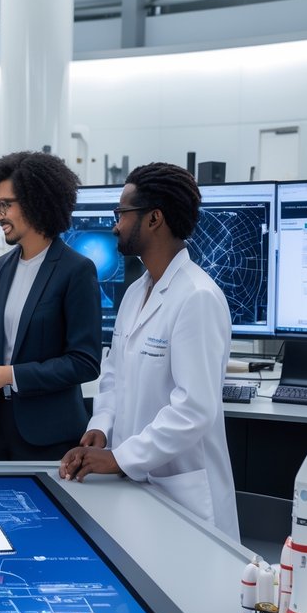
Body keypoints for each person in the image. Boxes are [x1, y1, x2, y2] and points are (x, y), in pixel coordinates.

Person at [59, 162, 239, 541]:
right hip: (138, 481)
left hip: (182, 492)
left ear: (154, 218)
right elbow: (114, 378)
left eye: (121, 214)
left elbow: (194, 409)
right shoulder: (137, 292)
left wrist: (120, 458)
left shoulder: (197, 297)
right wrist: (100, 430)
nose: (115, 225)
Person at [0, 151, 102, 460]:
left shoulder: (76, 271)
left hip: (48, 436)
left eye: (5, 205)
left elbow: (84, 362)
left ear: (37, 202)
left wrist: (8, 375)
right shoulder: (1, 267)